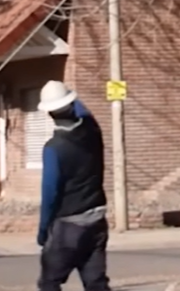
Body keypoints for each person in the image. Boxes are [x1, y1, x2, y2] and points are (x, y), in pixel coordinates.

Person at [36, 80, 111, 291]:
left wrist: (43, 230)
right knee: (96, 282)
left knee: (50, 282)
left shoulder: (53, 149)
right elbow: (84, 112)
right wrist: (70, 95)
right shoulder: (93, 132)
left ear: (49, 114)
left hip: (68, 227)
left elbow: (50, 194)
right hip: (96, 221)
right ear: (70, 105)